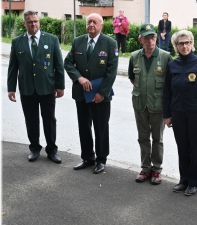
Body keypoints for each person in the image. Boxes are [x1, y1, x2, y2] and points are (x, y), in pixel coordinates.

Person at [7, 10, 65, 163]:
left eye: (36, 21)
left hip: (47, 87)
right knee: (31, 119)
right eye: (30, 22)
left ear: (39, 22)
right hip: (27, 88)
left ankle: (52, 150)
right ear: (24, 23)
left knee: (49, 120)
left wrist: (60, 86)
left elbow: (59, 65)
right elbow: (13, 67)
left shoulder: (52, 40)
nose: (33, 24)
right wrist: (11, 88)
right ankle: (34, 148)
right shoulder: (17, 41)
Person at [64, 13, 118, 174]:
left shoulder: (110, 43)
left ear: (101, 25)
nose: (91, 25)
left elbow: (111, 71)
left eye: (95, 22)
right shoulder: (78, 41)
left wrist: (102, 92)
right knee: (84, 126)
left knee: (101, 127)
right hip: (81, 93)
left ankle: (101, 160)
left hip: (100, 95)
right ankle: (87, 157)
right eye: (89, 22)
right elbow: (67, 62)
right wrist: (79, 78)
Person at [163, 30, 197, 196]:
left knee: (195, 147)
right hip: (177, 113)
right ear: (176, 46)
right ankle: (183, 180)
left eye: (187, 42)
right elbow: (167, 92)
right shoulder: (172, 65)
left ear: (192, 44)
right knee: (182, 147)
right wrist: (166, 115)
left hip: (196, 114)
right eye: (181, 43)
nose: (185, 46)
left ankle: (193, 182)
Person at [128, 23, 173, 185]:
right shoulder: (134, 57)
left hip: (158, 105)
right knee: (143, 138)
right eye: (146, 37)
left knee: (157, 139)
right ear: (141, 40)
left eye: (152, 37)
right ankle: (145, 168)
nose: (150, 40)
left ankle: (157, 169)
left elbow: (170, 84)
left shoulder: (165, 57)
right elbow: (133, 79)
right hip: (140, 103)